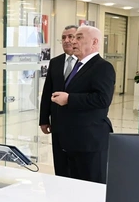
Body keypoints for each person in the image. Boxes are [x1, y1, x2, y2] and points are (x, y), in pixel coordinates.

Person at [49, 25, 115, 184]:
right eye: (74, 38)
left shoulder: (103, 67)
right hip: (71, 140)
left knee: (90, 186)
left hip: (89, 141)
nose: (73, 42)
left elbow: (102, 99)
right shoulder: (78, 67)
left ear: (94, 42)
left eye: (79, 38)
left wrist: (69, 99)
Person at [39, 25, 78, 177]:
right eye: (63, 37)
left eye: (71, 37)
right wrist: (44, 119)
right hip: (57, 122)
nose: (66, 40)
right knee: (60, 164)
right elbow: (47, 92)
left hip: (77, 123)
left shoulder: (85, 63)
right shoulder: (55, 62)